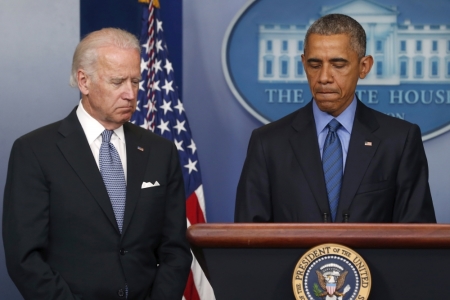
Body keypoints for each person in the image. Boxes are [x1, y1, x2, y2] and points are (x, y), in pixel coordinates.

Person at [3, 28, 192, 299]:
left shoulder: (160, 151)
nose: (130, 93)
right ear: (84, 81)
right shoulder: (34, 151)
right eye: (117, 82)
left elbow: (175, 249)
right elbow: (25, 258)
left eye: (135, 81)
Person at [235, 14, 436, 223]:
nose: (324, 77)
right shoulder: (267, 143)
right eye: (314, 65)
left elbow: (417, 239)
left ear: (364, 66)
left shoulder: (399, 141)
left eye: (338, 65)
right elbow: (248, 241)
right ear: (304, 64)